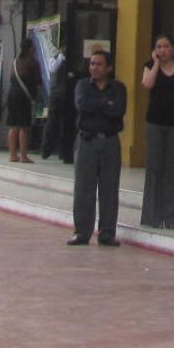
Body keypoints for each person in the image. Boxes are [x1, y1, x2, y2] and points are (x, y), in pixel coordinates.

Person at [69, 48, 125, 246]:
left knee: (109, 189)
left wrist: (100, 105)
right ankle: (82, 232)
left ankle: (107, 233)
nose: (94, 68)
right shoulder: (82, 85)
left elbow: (118, 109)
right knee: (84, 188)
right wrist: (105, 104)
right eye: (92, 64)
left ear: (108, 67)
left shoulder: (118, 88)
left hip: (110, 142)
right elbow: (83, 106)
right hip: (87, 141)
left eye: (99, 64)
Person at [139, 36, 174, 229]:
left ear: (173, 48)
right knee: (154, 168)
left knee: (172, 170)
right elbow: (147, 84)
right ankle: (152, 216)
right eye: (159, 47)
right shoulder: (150, 65)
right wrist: (156, 64)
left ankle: (172, 218)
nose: (163, 50)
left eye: (166, 46)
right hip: (154, 123)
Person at [4, 41, 39, 164]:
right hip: (24, 96)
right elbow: (37, 81)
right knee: (24, 126)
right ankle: (23, 156)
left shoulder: (15, 61)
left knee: (14, 126)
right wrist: (35, 98)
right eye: (33, 47)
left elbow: (11, 78)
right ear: (30, 49)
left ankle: (13, 155)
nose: (35, 49)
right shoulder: (32, 62)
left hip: (12, 94)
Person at [40, 45, 76, 163]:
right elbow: (53, 69)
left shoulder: (73, 61)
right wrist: (61, 56)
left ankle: (65, 152)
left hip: (68, 95)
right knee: (52, 123)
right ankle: (46, 149)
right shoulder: (55, 59)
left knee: (67, 124)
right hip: (56, 95)